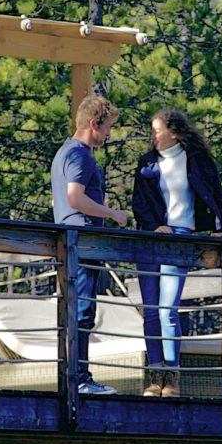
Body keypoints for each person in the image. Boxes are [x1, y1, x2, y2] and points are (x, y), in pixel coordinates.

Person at [131, 108, 222, 397]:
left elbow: (216, 195)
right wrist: (154, 225)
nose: (153, 136)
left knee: (167, 310)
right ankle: (155, 376)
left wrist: (220, 227)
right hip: (151, 239)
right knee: (150, 311)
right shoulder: (146, 163)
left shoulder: (197, 161)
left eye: (157, 130)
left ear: (173, 133)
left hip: (181, 238)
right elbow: (139, 203)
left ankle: (172, 377)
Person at [51, 94, 129, 395]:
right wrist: (113, 214)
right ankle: (80, 379)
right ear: (94, 124)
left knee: (75, 309)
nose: (108, 135)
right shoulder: (80, 155)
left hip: (70, 242)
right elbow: (75, 197)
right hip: (82, 241)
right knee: (83, 310)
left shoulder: (63, 153)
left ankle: (73, 377)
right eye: (107, 127)